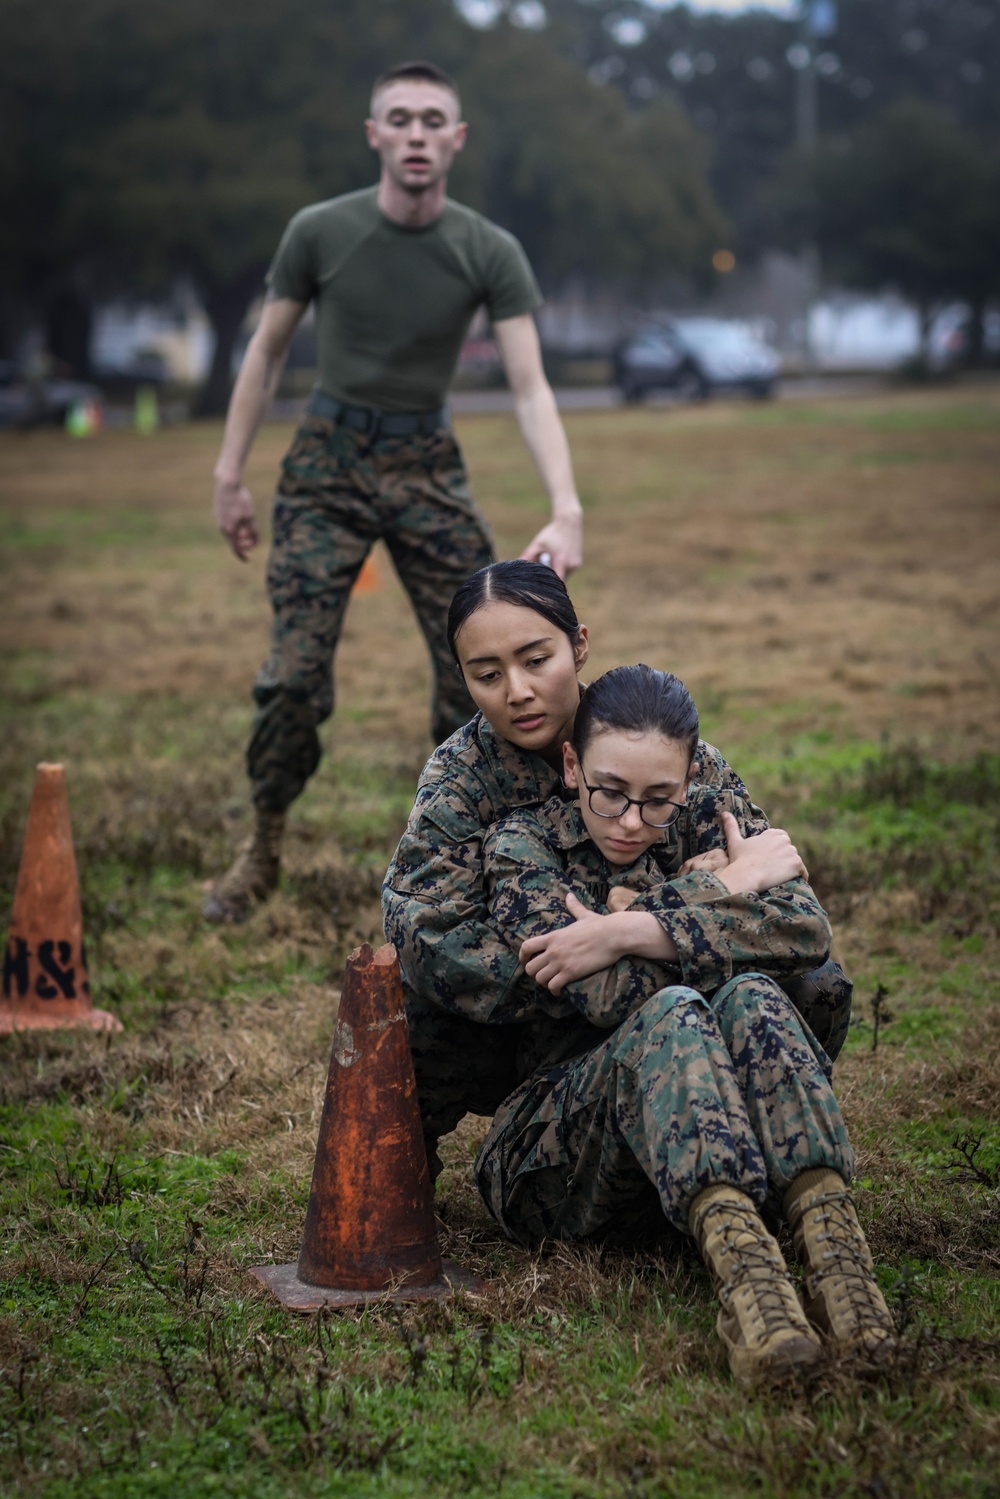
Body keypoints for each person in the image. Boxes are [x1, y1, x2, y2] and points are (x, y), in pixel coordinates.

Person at [206, 60, 583, 921]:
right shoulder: (318, 231)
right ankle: (262, 844)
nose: (416, 134)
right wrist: (230, 475)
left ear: (456, 139)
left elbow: (529, 386)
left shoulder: (488, 248)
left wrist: (566, 503)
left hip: (426, 461)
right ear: (375, 135)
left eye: (432, 120)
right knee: (295, 676)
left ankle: (484, 851)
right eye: (400, 120)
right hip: (326, 461)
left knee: (482, 673)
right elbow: (263, 357)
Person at [472, 663, 894, 1384]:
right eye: (609, 793)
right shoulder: (522, 847)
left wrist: (624, 927)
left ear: (690, 777)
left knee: (758, 996)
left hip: (703, 1132)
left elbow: (805, 930)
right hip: (555, 1156)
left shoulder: (709, 808)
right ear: (572, 764)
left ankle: (833, 1246)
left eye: (659, 799)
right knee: (675, 1008)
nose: (633, 821)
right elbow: (605, 998)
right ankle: (748, 1283)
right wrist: (717, 889)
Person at [382, 560, 854, 1175]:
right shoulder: (458, 782)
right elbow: (431, 939)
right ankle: (402, 1167)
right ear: (463, 677)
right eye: (487, 674)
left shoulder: (654, 738)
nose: (517, 691)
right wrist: (603, 961)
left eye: (535, 660)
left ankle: (749, 1127)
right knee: (413, 1006)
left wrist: (635, 932)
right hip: (520, 1024)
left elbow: (783, 897)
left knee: (816, 984)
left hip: (676, 1001)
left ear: (579, 646)